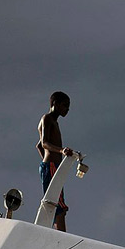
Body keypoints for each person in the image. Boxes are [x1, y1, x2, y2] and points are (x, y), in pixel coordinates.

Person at [36, 91, 76, 232]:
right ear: (55, 104)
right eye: (65, 106)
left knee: (57, 203)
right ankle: (61, 235)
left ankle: (57, 232)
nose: (67, 109)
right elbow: (44, 143)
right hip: (51, 166)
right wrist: (60, 152)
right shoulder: (47, 119)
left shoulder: (55, 122)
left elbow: (38, 146)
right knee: (58, 204)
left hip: (52, 167)